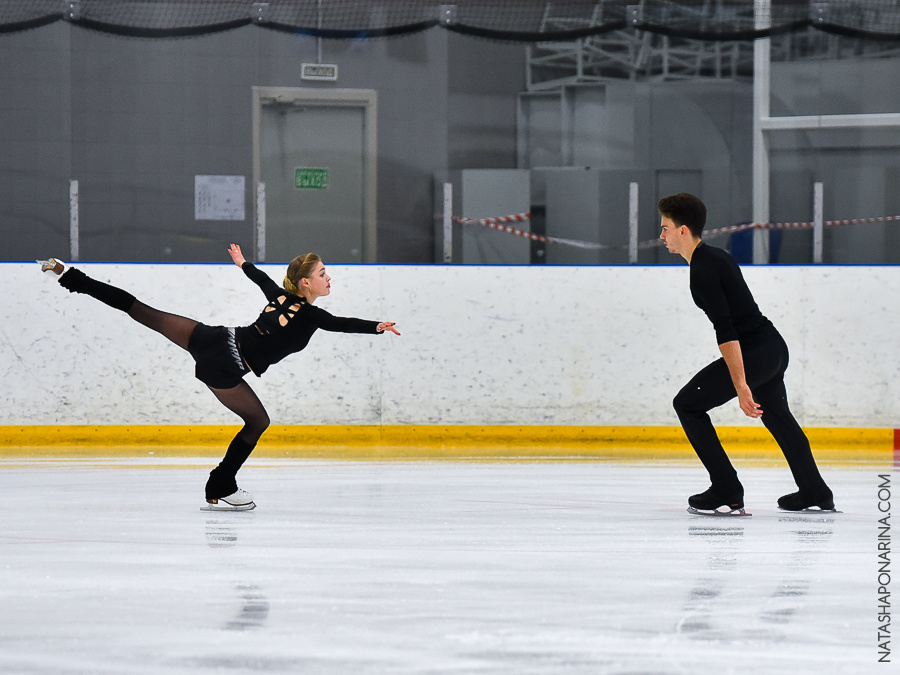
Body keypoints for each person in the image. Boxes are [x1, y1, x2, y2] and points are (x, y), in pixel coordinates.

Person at [38, 244, 400, 511]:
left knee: (141, 311)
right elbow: (341, 324)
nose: (328, 277)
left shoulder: (279, 296)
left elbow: (261, 279)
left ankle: (68, 275)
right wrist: (376, 327)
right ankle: (221, 484)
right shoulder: (310, 316)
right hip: (226, 364)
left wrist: (243, 263)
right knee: (258, 421)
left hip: (214, 338)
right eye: (323, 274)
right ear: (306, 283)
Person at [657, 193, 834, 515]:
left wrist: (741, 386)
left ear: (683, 230)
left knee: (687, 404)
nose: (661, 236)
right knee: (779, 418)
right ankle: (815, 490)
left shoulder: (703, 269)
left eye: (665, 228)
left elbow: (726, 331)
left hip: (755, 351)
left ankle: (726, 488)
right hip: (772, 348)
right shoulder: (714, 257)